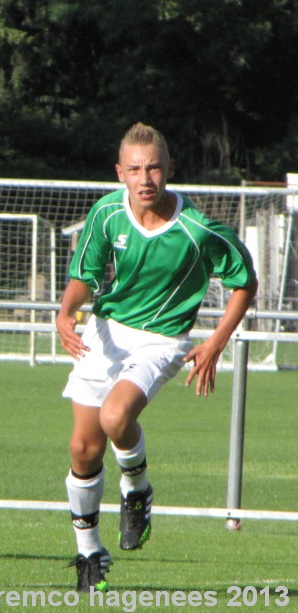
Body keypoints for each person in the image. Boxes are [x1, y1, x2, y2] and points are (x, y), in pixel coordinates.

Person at [55, 123, 257, 593]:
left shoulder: (198, 229)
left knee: (115, 415)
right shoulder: (107, 213)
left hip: (162, 338)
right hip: (106, 331)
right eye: (135, 169)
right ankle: (89, 553)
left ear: (169, 170)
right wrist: (66, 312)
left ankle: (137, 487)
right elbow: (84, 275)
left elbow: (243, 281)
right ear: (120, 172)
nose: (145, 178)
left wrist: (215, 342)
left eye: (154, 167)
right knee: (83, 449)